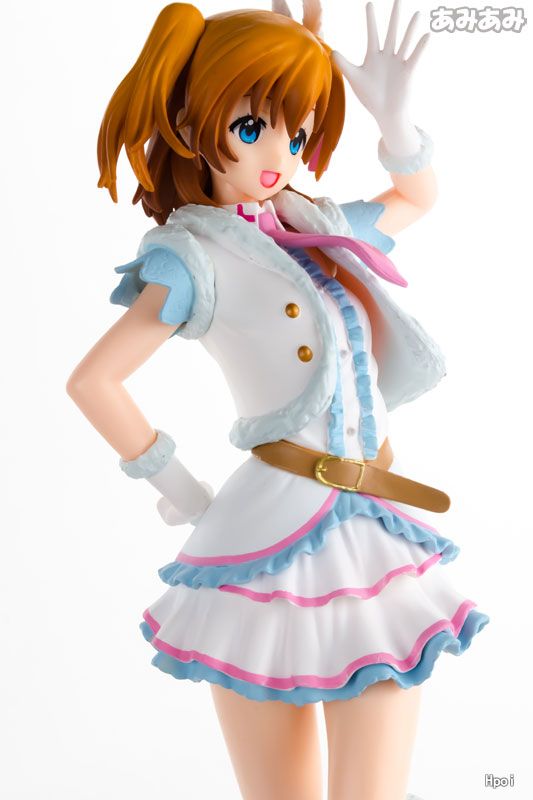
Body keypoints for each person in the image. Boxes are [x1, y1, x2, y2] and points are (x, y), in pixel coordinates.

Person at [66, 2, 490, 798]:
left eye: (295, 135)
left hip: (371, 532)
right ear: (192, 124)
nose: (279, 154)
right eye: (253, 126)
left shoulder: (320, 225)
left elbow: (415, 195)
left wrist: (392, 121)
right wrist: (182, 491)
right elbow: (94, 381)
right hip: (262, 540)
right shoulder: (192, 255)